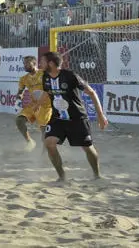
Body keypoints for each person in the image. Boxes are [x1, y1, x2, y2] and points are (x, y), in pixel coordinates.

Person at [39, 52, 108, 181]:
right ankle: (62, 176)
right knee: (49, 143)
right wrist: (37, 105)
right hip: (58, 118)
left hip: (77, 118)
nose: (39, 64)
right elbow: (47, 93)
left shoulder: (70, 76)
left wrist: (100, 116)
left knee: (87, 147)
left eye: (42, 61)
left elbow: (92, 93)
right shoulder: (45, 77)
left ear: (51, 63)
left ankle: (97, 175)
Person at [15, 56, 52, 151]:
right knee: (19, 120)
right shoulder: (24, 78)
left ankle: (44, 155)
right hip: (33, 104)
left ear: (34, 64)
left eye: (27, 63)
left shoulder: (44, 73)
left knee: (44, 131)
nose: (25, 65)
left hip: (46, 105)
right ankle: (29, 142)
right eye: (24, 63)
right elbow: (20, 91)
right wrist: (19, 95)